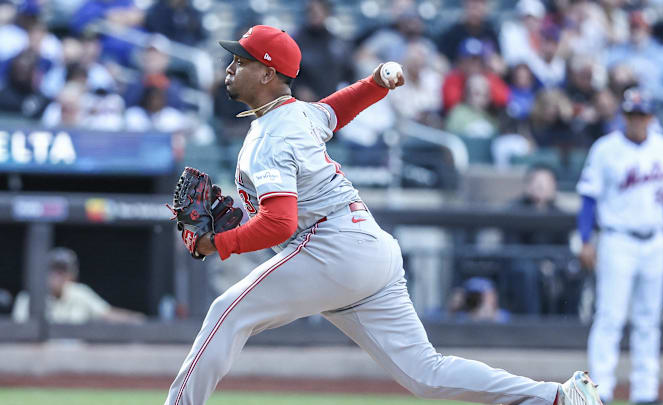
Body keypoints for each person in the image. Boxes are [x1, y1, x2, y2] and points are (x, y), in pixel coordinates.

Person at [163, 24, 603, 405]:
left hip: (330, 247)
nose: (229, 67)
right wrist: (375, 84)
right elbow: (336, 110)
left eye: (239, 60)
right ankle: (557, 397)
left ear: (267, 72)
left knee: (228, 310)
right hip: (369, 246)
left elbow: (280, 223)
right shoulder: (299, 117)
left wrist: (216, 242)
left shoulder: (272, 138)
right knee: (425, 373)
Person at [577, 88, 663, 405]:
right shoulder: (606, 148)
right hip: (617, 238)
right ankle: (600, 392)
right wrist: (585, 239)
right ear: (623, 116)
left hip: (655, 239)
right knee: (609, 317)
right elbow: (588, 199)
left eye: (642, 114)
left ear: (651, 116)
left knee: (649, 321)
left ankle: (645, 393)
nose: (637, 120)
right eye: (631, 114)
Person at [12, 247, 145, 324]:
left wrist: (136, 319)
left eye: (63, 271)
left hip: (74, 358)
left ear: (72, 275)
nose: (58, 276)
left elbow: (107, 313)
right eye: (53, 270)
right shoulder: (28, 298)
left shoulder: (80, 293)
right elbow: (19, 333)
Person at [502, 165, 569, 315]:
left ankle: (568, 323)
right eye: (537, 183)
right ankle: (532, 323)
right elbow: (512, 249)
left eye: (546, 183)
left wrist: (551, 263)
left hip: (551, 264)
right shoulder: (514, 211)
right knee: (527, 272)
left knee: (573, 271)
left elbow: (564, 250)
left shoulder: (560, 215)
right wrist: (539, 263)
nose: (540, 187)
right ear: (528, 186)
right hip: (521, 265)